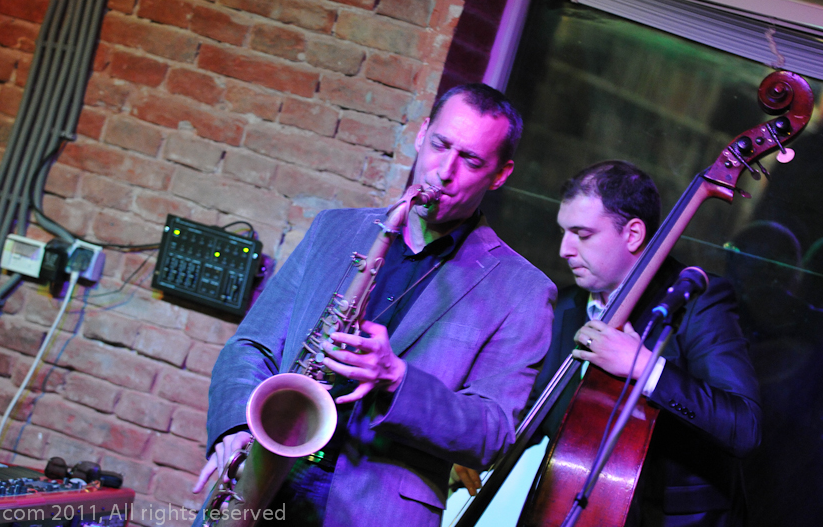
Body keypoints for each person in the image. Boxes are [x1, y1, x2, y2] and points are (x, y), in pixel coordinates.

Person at [191, 84, 556, 527]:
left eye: (471, 161)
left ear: (500, 174)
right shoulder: (333, 229)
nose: (444, 171)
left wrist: (397, 379)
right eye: (440, 145)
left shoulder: (523, 290)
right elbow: (252, 345)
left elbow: (492, 434)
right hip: (264, 472)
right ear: (422, 133)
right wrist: (235, 426)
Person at [521, 160, 761, 526]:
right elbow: (538, 411)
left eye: (582, 234)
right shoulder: (566, 304)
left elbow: (744, 426)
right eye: (564, 232)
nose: (564, 250)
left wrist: (647, 368)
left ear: (633, 234)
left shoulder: (698, 300)